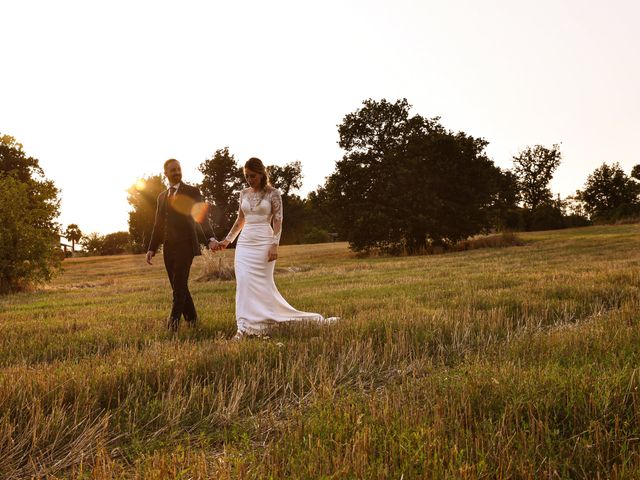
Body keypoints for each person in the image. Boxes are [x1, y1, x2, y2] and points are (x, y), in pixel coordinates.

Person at [216, 157, 337, 339]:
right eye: (247, 176)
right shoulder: (243, 193)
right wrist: (227, 240)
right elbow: (240, 220)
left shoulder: (273, 193)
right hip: (245, 244)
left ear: (262, 174)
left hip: (264, 242)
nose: (250, 180)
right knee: (243, 283)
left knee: (263, 285)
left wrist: (274, 245)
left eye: (253, 176)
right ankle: (243, 327)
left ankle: (266, 320)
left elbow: (278, 221)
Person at [146, 158, 218, 332]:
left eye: (179, 169)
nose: (177, 172)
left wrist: (210, 238)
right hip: (168, 248)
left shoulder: (192, 191)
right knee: (179, 286)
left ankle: (173, 325)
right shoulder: (162, 197)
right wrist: (151, 248)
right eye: (173, 170)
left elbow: (201, 216)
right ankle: (192, 318)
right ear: (166, 174)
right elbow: (158, 223)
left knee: (178, 287)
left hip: (186, 245)